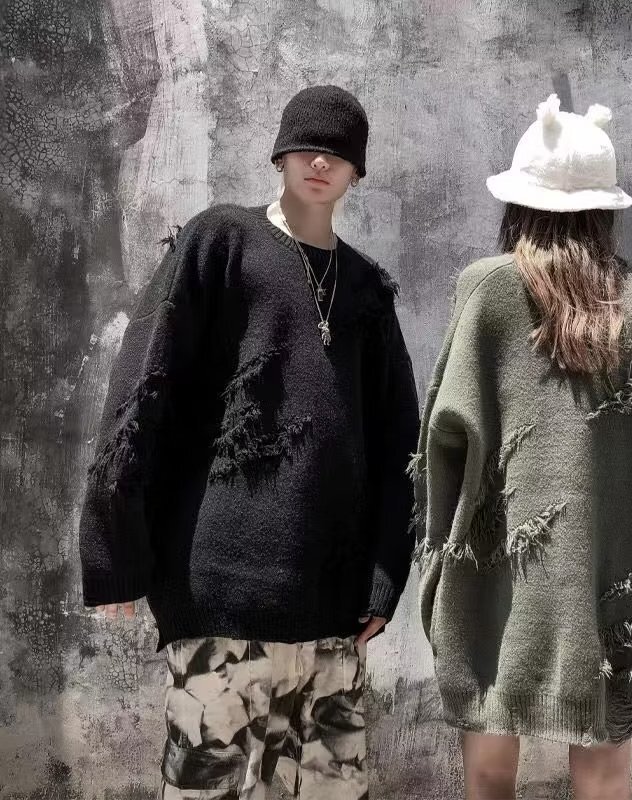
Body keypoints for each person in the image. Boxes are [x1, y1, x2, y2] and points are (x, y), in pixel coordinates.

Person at [78, 84, 421, 800]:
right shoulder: (221, 240)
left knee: (328, 791)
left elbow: (399, 445)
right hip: (220, 591)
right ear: (280, 155)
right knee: (210, 789)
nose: (319, 162)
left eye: (337, 153)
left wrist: (386, 577)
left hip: (332, 606)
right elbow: (144, 378)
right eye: (306, 146)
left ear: (357, 172)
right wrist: (114, 544)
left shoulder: (366, 289)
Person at [410, 93, 632, 800]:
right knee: (605, 776)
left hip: (500, 574)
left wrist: (438, 565)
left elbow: (444, 441)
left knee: (489, 774)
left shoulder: (487, 290)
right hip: (613, 573)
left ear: (519, 202)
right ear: (604, 210)